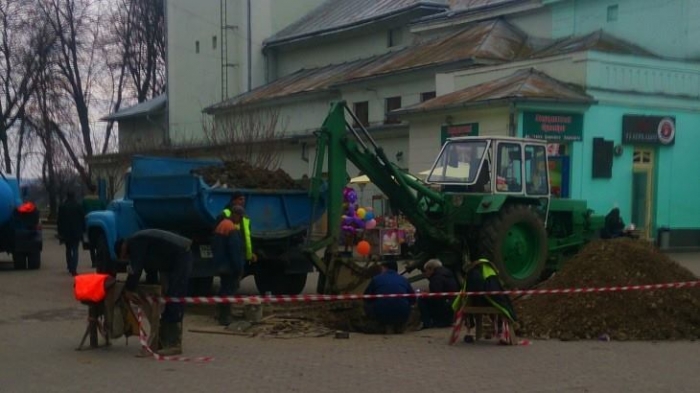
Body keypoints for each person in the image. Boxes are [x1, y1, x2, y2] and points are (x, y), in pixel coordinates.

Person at [116, 229, 193, 356]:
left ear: (123, 248)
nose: (128, 258)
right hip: (176, 259)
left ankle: (174, 344)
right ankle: (163, 340)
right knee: (170, 298)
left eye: (126, 256)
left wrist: (129, 289)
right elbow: (149, 269)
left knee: (174, 298)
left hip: (181, 257)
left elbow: (136, 267)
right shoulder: (143, 242)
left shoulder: (135, 242)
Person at [453, 258, 517, 344]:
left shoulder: (471, 274)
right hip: (491, 302)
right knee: (503, 308)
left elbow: (465, 292)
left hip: (473, 303)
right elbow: (498, 293)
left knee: (469, 309)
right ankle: (501, 333)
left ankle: (470, 331)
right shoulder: (491, 275)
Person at [212, 205, 245, 326]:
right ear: (235, 215)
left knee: (223, 289)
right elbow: (235, 251)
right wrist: (239, 269)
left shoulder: (222, 225)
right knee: (228, 291)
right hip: (229, 267)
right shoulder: (231, 228)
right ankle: (225, 318)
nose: (240, 220)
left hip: (221, 265)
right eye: (240, 217)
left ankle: (221, 315)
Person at [363, 260, 415, 334]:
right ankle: (399, 325)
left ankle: (382, 325)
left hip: (381, 313)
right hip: (402, 313)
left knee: (367, 304)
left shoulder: (376, 279)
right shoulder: (404, 280)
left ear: (385, 268)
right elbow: (412, 298)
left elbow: (367, 296)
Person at [418, 259, 460, 329]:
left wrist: (426, 294)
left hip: (444, 306)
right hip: (451, 303)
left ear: (431, 269)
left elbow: (436, 295)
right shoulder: (447, 273)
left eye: (426, 271)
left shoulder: (436, 277)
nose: (425, 273)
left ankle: (427, 322)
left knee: (421, 299)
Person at [223, 191, 257, 265]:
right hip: (231, 256)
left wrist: (251, 253)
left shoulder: (245, 217)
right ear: (234, 200)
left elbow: (247, 237)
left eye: (244, 199)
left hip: (241, 256)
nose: (243, 202)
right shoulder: (225, 214)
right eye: (240, 199)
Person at [57, 191, 85, 276]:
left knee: (68, 249)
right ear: (74, 196)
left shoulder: (62, 207)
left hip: (66, 232)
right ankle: (74, 269)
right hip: (76, 231)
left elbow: (59, 221)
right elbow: (82, 219)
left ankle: (69, 266)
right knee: (75, 249)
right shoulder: (78, 206)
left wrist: (60, 232)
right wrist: (83, 230)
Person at [82, 184, 106, 267]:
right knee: (100, 242)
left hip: (89, 223)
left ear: (89, 190)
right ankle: (99, 259)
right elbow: (105, 210)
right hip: (100, 223)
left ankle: (93, 261)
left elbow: (82, 212)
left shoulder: (85, 201)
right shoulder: (100, 200)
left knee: (91, 244)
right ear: (95, 190)